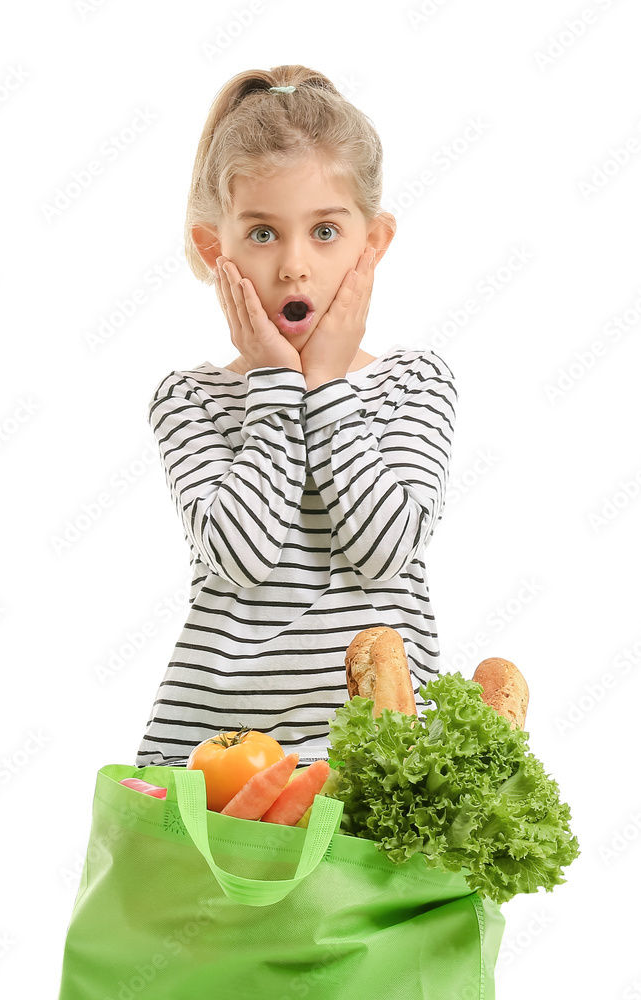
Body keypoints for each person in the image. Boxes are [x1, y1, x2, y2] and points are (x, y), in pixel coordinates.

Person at [135, 65, 458, 769]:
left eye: (324, 231)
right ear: (213, 248)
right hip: (219, 766)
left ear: (371, 244)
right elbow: (244, 559)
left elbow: (385, 550)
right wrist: (280, 381)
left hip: (385, 766)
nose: (293, 267)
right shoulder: (187, 400)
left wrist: (328, 385)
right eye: (261, 235)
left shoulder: (416, 383)